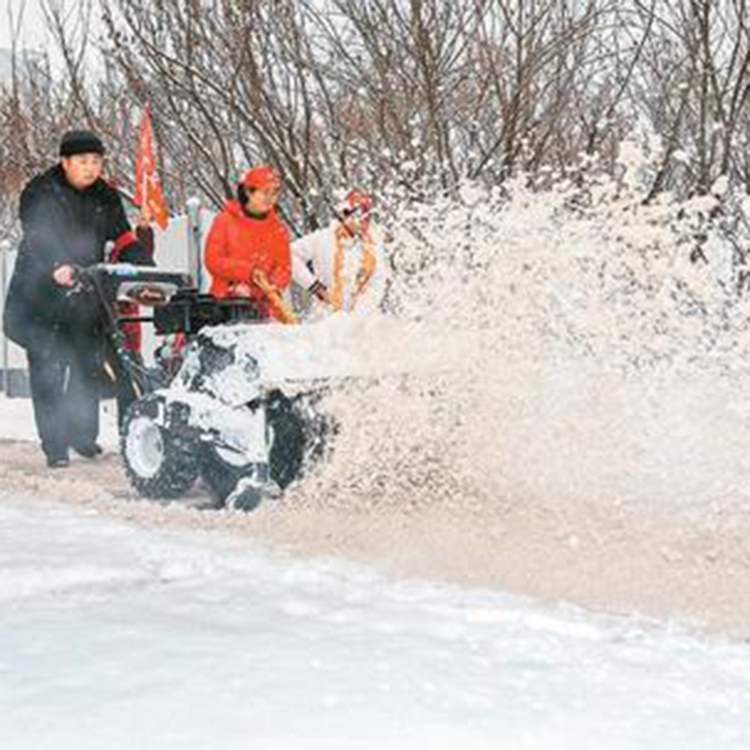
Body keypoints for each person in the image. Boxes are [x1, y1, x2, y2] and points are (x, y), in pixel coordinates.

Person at [2, 129, 153, 468]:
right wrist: (57, 264)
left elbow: (122, 234)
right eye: (83, 161)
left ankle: (83, 437)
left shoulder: (105, 195)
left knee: (87, 362)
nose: (91, 168)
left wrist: (143, 261)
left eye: (97, 161)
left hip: (85, 291)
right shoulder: (41, 190)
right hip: (38, 296)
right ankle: (54, 446)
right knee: (50, 366)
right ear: (65, 162)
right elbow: (39, 235)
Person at [204, 166, 292, 321]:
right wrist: (248, 272)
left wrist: (275, 284)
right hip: (226, 305)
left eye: (274, 193)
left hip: (265, 308)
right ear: (248, 192)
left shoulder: (279, 229)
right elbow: (213, 260)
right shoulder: (224, 221)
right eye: (265, 192)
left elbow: (284, 267)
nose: (270, 198)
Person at [291, 189, 385, 317]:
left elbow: (378, 284)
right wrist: (315, 287)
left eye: (368, 215)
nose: (364, 220)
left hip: (363, 324)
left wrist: (358, 314)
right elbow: (289, 256)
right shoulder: (323, 238)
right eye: (360, 214)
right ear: (345, 215)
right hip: (325, 322)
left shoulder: (373, 246)